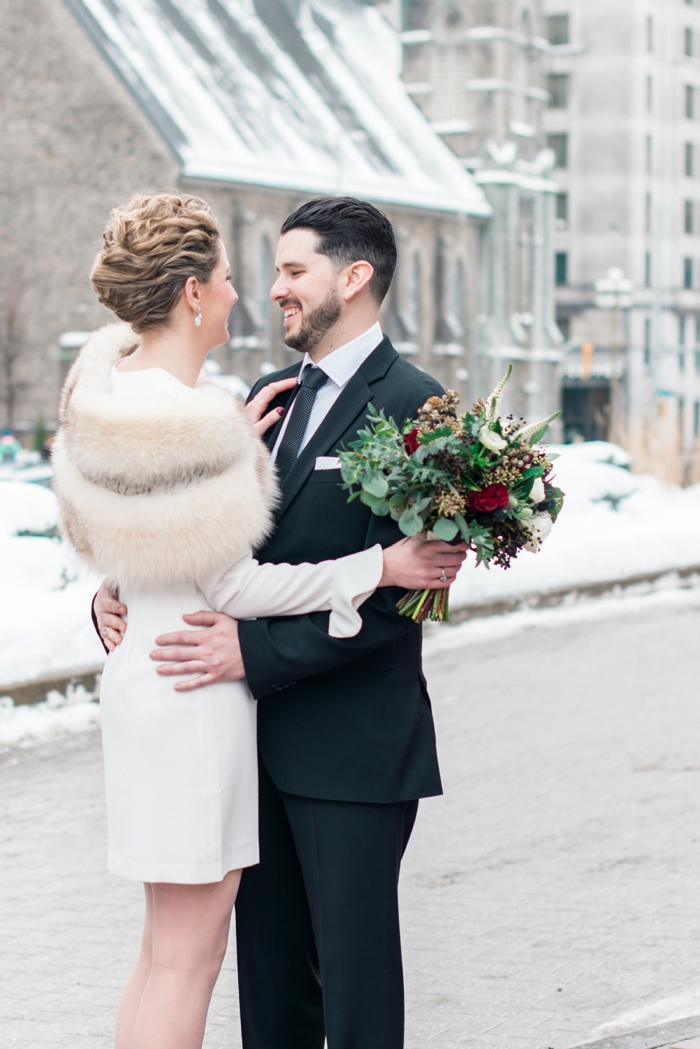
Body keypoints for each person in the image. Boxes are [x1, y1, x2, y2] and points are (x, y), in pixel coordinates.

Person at [56, 193, 459, 1049]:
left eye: (291, 270)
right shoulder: (259, 397)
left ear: (352, 279)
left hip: (350, 746)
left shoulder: (423, 408)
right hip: (245, 733)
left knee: (352, 991)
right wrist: (119, 586)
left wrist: (254, 648)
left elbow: (405, 599)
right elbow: (198, 536)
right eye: (261, 272)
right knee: (259, 994)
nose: (271, 288)